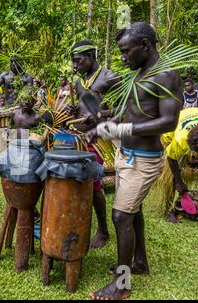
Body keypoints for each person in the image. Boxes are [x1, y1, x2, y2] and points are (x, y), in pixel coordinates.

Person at [86, 22, 182, 300]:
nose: (123, 57)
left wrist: (122, 129)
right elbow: (131, 112)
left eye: (126, 52)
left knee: (120, 215)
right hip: (127, 155)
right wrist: (104, 125)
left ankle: (122, 284)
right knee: (132, 210)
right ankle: (139, 262)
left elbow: (169, 121)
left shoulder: (166, 74)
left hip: (144, 159)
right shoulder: (139, 74)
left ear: (145, 46)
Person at [67, 40, 120, 249]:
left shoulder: (110, 77)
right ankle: (82, 223)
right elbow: (85, 106)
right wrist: (75, 112)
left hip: (96, 141)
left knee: (95, 186)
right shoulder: (82, 80)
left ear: (90, 55)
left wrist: (99, 116)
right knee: (79, 183)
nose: (74, 66)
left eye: (78, 60)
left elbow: (123, 110)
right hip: (78, 138)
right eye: (73, 62)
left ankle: (103, 231)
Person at [161, 107, 198, 223]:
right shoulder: (180, 141)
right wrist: (179, 181)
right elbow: (171, 158)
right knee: (171, 177)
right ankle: (169, 212)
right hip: (170, 134)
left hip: (193, 113)